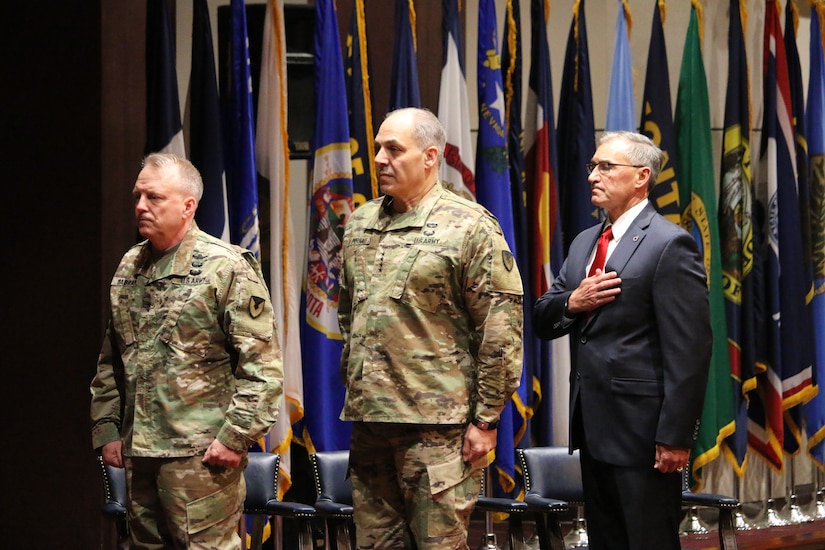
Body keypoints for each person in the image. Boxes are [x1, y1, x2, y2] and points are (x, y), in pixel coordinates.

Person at [338, 107, 524, 549]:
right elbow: (351, 314)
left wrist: (486, 419)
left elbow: (500, 332)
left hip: (439, 430)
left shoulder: (470, 226)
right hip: (372, 423)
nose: (380, 158)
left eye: (394, 149)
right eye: (378, 147)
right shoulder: (360, 224)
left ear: (429, 157)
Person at [90, 153, 284, 549]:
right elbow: (112, 358)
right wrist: (107, 428)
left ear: (188, 205)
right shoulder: (130, 266)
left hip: (200, 456)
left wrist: (235, 438)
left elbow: (262, 367)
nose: (141, 206)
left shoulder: (225, 267)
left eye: (155, 197)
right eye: (138, 196)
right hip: (139, 451)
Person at [533, 131, 712, 550]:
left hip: (644, 435)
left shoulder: (670, 244)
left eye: (606, 167)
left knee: (646, 540)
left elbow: (690, 350)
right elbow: (543, 316)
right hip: (594, 429)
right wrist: (573, 303)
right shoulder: (585, 242)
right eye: (592, 166)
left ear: (641, 177)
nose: (594, 175)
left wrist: (675, 436)